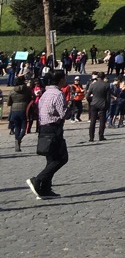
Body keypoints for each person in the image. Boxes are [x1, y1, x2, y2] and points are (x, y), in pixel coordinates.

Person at [27, 68, 71, 200]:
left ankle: (45, 189)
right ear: (60, 80)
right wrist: (70, 106)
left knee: (51, 159)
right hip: (54, 128)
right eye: (64, 78)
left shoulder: (45, 93)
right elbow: (63, 114)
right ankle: (38, 179)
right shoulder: (58, 94)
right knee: (61, 158)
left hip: (44, 127)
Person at [86, 71, 111, 142]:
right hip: (103, 104)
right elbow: (108, 97)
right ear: (104, 77)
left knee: (93, 121)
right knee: (102, 121)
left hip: (94, 104)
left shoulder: (93, 85)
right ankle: (101, 136)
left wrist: (91, 101)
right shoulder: (106, 85)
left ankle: (91, 137)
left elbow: (87, 96)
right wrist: (107, 105)